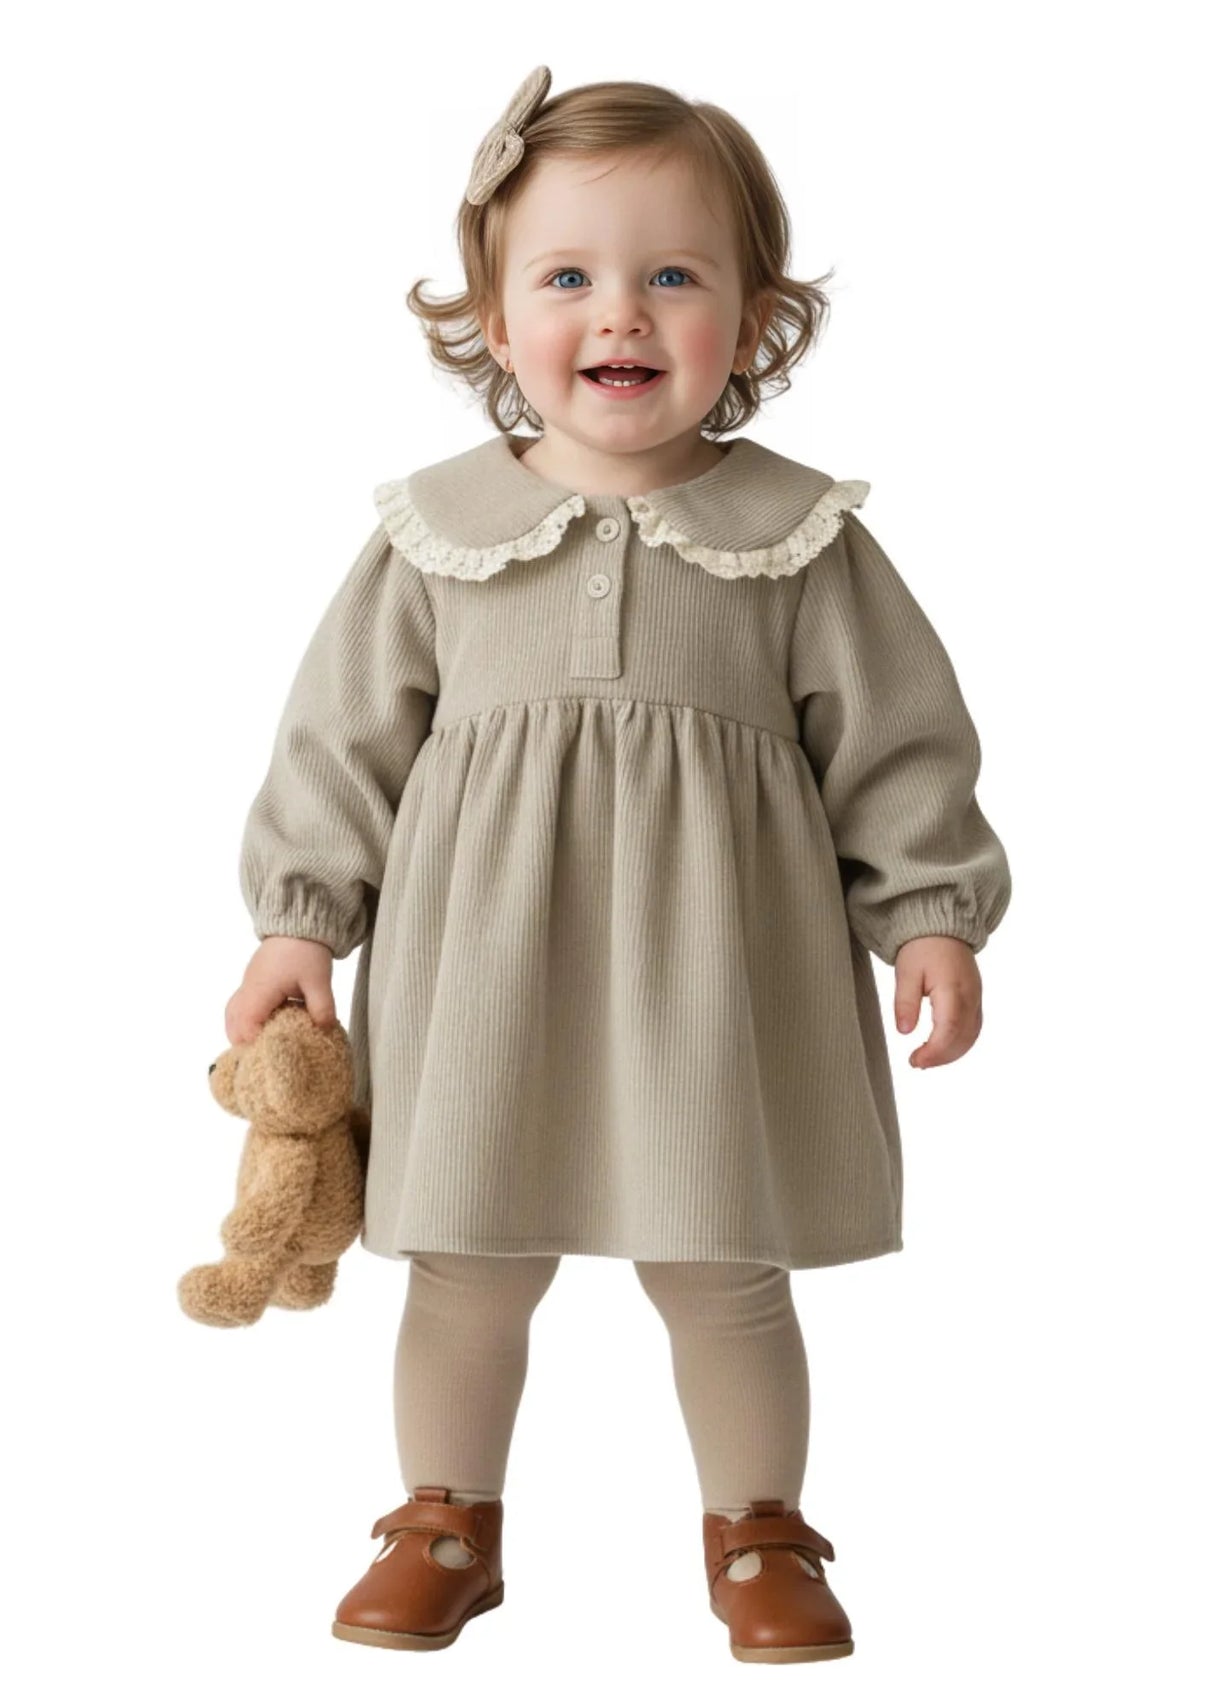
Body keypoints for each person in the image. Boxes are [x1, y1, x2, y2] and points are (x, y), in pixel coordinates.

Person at [225, 65, 1013, 1665]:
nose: (621, 314)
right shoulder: (436, 532)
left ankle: (760, 1532)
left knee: (722, 1262)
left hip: (716, 969)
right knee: (463, 1262)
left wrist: (929, 915)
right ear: (496, 318)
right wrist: (298, 925)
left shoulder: (798, 535)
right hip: (487, 962)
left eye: (675, 275)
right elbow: (336, 744)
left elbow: (900, 737)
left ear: (754, 314)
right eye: (569, 277)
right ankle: (445, 1515)